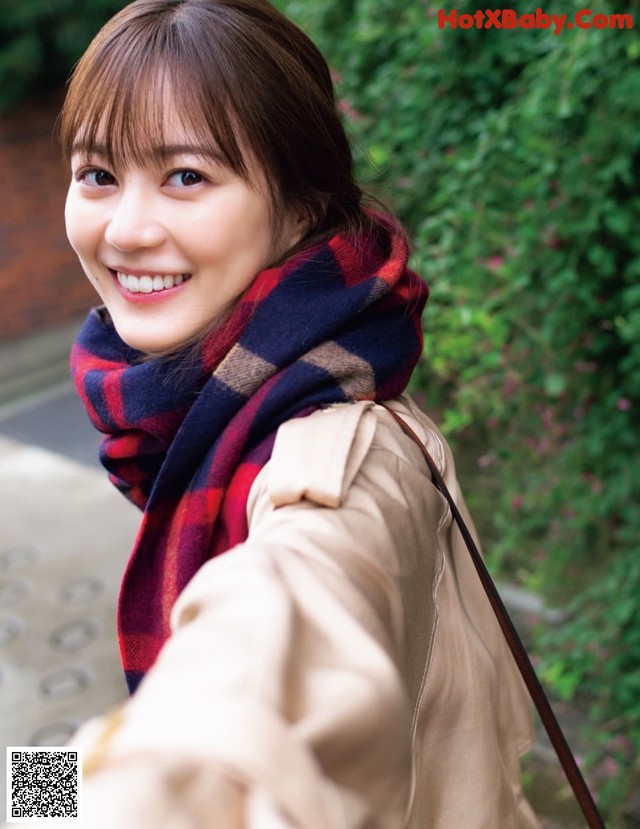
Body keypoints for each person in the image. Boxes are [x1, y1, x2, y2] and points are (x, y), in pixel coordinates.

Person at [41, 0, 539, 825]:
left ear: (303, 206)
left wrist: (77, 801)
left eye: (186, 176)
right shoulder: (227, 401)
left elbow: (260, 675)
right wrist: (30, 789)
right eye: (97, 173)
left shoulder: (339, 456)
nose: (126, 229)